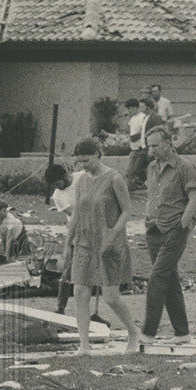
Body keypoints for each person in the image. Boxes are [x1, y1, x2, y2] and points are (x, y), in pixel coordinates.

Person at [61, 138, 140, 355]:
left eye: (86, 160)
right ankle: (84, 345)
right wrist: (68, 244)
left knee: (110, 296)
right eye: (79, 162)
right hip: (84, 240)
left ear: (97, 154)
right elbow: (76, 214)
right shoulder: (82, 181)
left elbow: (127, 210)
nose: (83, 165)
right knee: (79, 291)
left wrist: (113, 234)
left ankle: (133, 332)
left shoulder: (114, 178)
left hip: (109, 242)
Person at [141, 125, 196, 344]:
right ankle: (182, 332)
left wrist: (183, 224)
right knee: (169, 279)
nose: (152, 150)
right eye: (149, 146)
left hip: (174, 229)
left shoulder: (184, 166)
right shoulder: (151, 167)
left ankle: (148, 332)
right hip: (153, 228)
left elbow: (194, 198)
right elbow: (152, 196)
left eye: (156, 145)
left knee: (157, 278)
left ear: (168, 143)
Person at [45, 163, 83, 314]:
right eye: (53, 185)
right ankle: (60, 307)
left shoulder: (82, 177)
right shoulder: (58, 195)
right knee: (68, 270)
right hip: (77, 230)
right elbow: (75, 214)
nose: (57, 187)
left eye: (57, 183)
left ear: (65, 176)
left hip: (97, 226)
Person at [126, 97, 163, 191]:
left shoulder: (155, 117)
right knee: (138, 169)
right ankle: (148, 185)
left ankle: (154, 186)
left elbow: (156, 132)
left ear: (148, 107)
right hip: (143, 148)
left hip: (149, 148)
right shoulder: (145, 117)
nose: (140, 109)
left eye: (142, 107)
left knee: (152, 169)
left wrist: (152, 147)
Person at [0, 200, 31, 265]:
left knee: (22, 253)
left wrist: (6, 255)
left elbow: (9, 238)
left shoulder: (10, 218)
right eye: (4, 211)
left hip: (20, 232)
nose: (6, 212)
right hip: (5, 234)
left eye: (6, 210)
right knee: (7, 256)